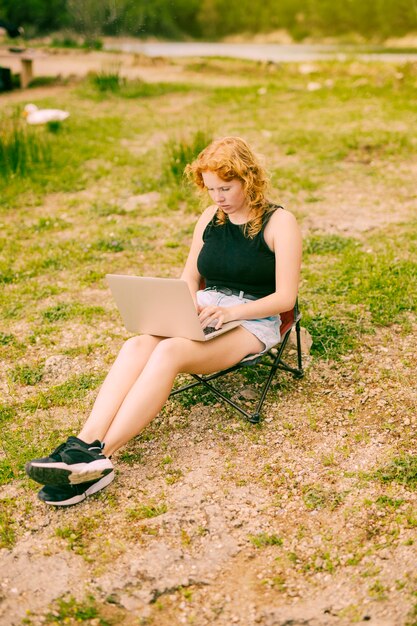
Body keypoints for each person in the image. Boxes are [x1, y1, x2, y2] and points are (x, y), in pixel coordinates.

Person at [25, 136, 302, 506]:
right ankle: (82, 444)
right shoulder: (210, 217)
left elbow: (285, 298)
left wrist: (230, 313)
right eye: (210, 189)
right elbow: (190, 277)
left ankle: (102, 457)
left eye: (225, 187)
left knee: (169, 352)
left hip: (253, 319)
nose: (217, 197)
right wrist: (184, 308)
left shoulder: (279, 222)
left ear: (249, 179)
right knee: (137, 344)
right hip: (205, 308)